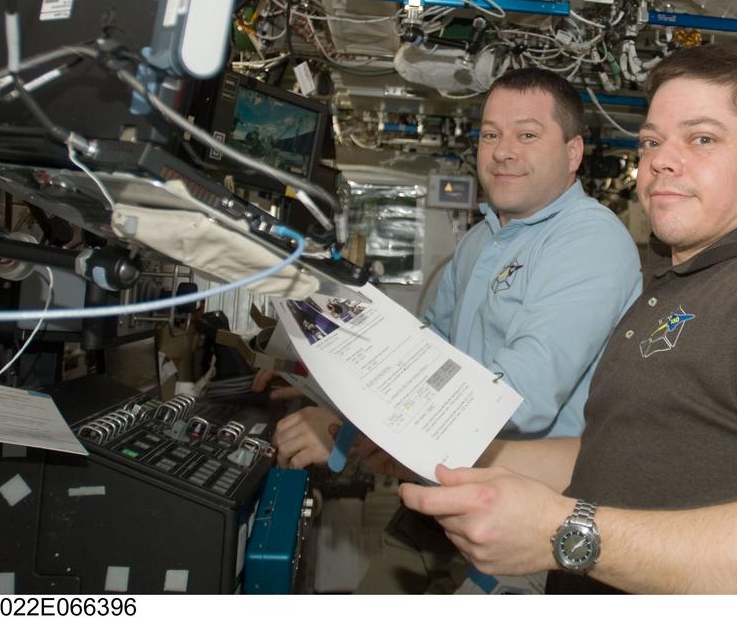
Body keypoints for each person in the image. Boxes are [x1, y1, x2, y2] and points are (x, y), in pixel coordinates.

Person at [395, 45, 737, 594]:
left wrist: (562, 532)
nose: (661, 160)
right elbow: (610, 457)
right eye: (651, 141)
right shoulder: (665, 285)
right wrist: (452, 462)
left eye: (702, 139)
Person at [265, 66, 643, 470]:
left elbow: (518, 398)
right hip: (452, 480)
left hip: (531, 507)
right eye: (491, 135)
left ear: (573, 153)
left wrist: (357, 423)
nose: (502, 151)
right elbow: (430, 347)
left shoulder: (589, 240)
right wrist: (334, 380)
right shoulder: (481, 238)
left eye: (527, 135)